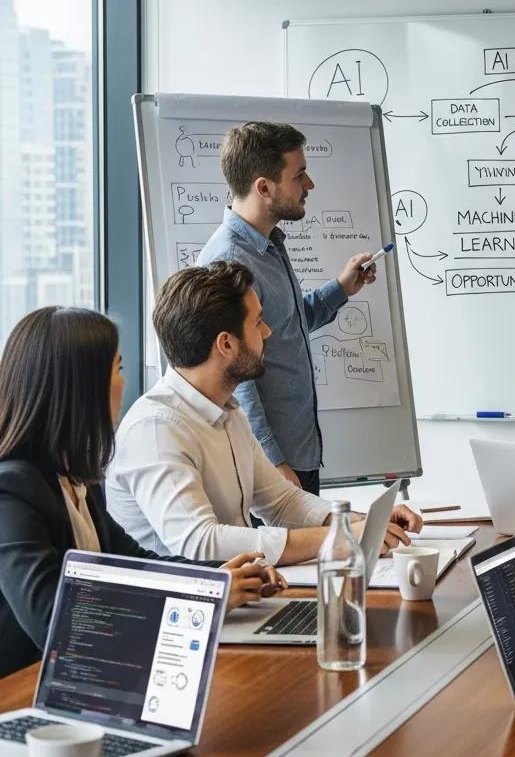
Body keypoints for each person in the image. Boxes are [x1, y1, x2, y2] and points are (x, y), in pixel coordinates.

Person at [0, 307, 285, 680]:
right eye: (117, 369)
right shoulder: (12, 492)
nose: (123, 382)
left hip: (86, 678)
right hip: (27, 699)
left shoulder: (77, 479)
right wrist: (205, 599)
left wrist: (227, 577)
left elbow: (137, 564)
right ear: (82, 386)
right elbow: (57, 621)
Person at [106, 262, 420, 564]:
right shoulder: (157, 429)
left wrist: (361, 522)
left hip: (233, 595)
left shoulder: (227, 411)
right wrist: (340, 538)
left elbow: (282, 502)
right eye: (257, 322)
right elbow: (199, 543)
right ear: (226, 344)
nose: (268, 332)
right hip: (180, 610)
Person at [197, 121, 378, 494]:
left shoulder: (270, 245)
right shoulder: (230, 261)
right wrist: (272, 461)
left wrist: (342, 288)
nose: (308, 185)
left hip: (298, 455)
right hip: (272, 468)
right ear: (264, 187)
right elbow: (237, 375)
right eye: (299, 175)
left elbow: (287, 326)